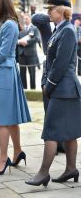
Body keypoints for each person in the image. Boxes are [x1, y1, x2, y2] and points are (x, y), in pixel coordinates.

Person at [25, 0, 81, 187]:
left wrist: (48, 86)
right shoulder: (60, 29)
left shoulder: (67, 30)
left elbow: (60, 64)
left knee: (51, 131)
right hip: (65, 89)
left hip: (63, 88)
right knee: (70, 132)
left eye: (51, 9)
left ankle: (43, 173)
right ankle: (71, 168)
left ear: (62, 11)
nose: (47, 11)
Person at [0, 0, 31, 176]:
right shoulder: (7, 23)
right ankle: (18, 151)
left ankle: (3, 160)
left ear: (1, 3)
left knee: (2, 119)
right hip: (6, 72)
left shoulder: (10, 24)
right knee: (9, 118)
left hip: (5, 72)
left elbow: (3, 53)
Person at [32, 13, 66, 154]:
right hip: (49, 77)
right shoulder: (47, 28)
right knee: (50, 113)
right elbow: (36, 18)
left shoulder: (64, 29)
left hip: (60, 77)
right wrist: (51, 16)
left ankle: (60, 144)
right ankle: (53, 144)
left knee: (61, 113)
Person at [17, 13, 41, 89]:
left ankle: (32, 89)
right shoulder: (21, 29)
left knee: (32, 73)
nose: (25, 20)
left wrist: (27, 42)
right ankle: (24, 89)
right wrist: (20, 42)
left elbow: (37, 38)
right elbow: (16, 39)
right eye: (24, 19)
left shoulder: (35, 28)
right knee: (22, 74)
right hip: (22, 54)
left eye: (26, 18)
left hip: (31, 54)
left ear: (30, 19)